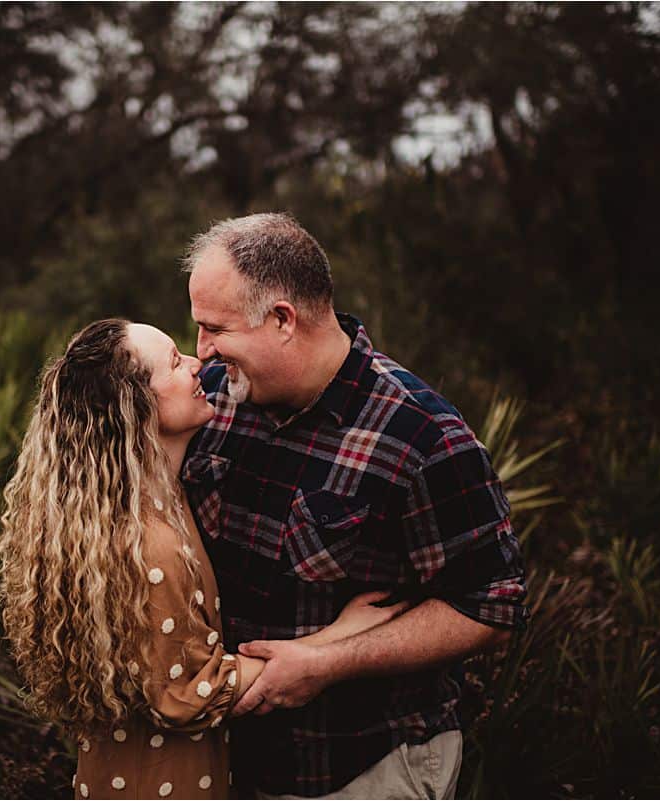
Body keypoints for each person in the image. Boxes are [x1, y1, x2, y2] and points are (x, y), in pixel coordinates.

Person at [181, 213, 530, 799]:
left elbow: (491, 610)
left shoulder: (422, 436)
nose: (203, 352)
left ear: (283, 320)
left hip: (362, 767)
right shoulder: (212, 399)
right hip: (226, 765)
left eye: (216, 328)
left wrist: (330, 661)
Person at [0, 318, 410, 800]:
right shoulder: (150, 543)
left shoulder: (143, 507)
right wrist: (336, 640)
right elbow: (186, 692)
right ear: (138, 406)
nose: (197, 365)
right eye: (174, 362)